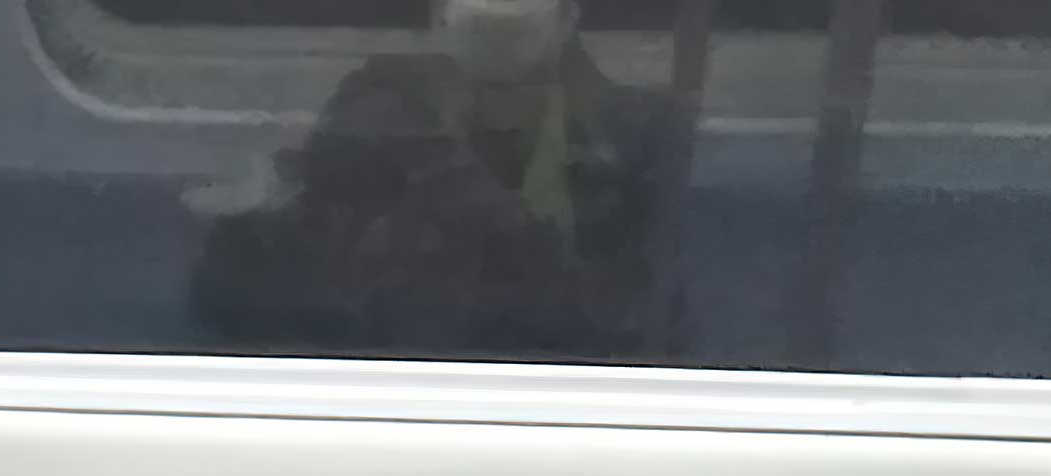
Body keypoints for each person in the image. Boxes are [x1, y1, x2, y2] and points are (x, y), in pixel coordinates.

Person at [187, 0, 682, 363]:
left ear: (568, 19)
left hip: (567, 385)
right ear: (438, 19)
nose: (497, 35)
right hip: (382, 376)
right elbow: (258, 300)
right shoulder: (372, 115)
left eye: (515, 23)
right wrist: (246, 224)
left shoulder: (630, 133)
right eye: (478, 20)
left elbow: (646, 320)